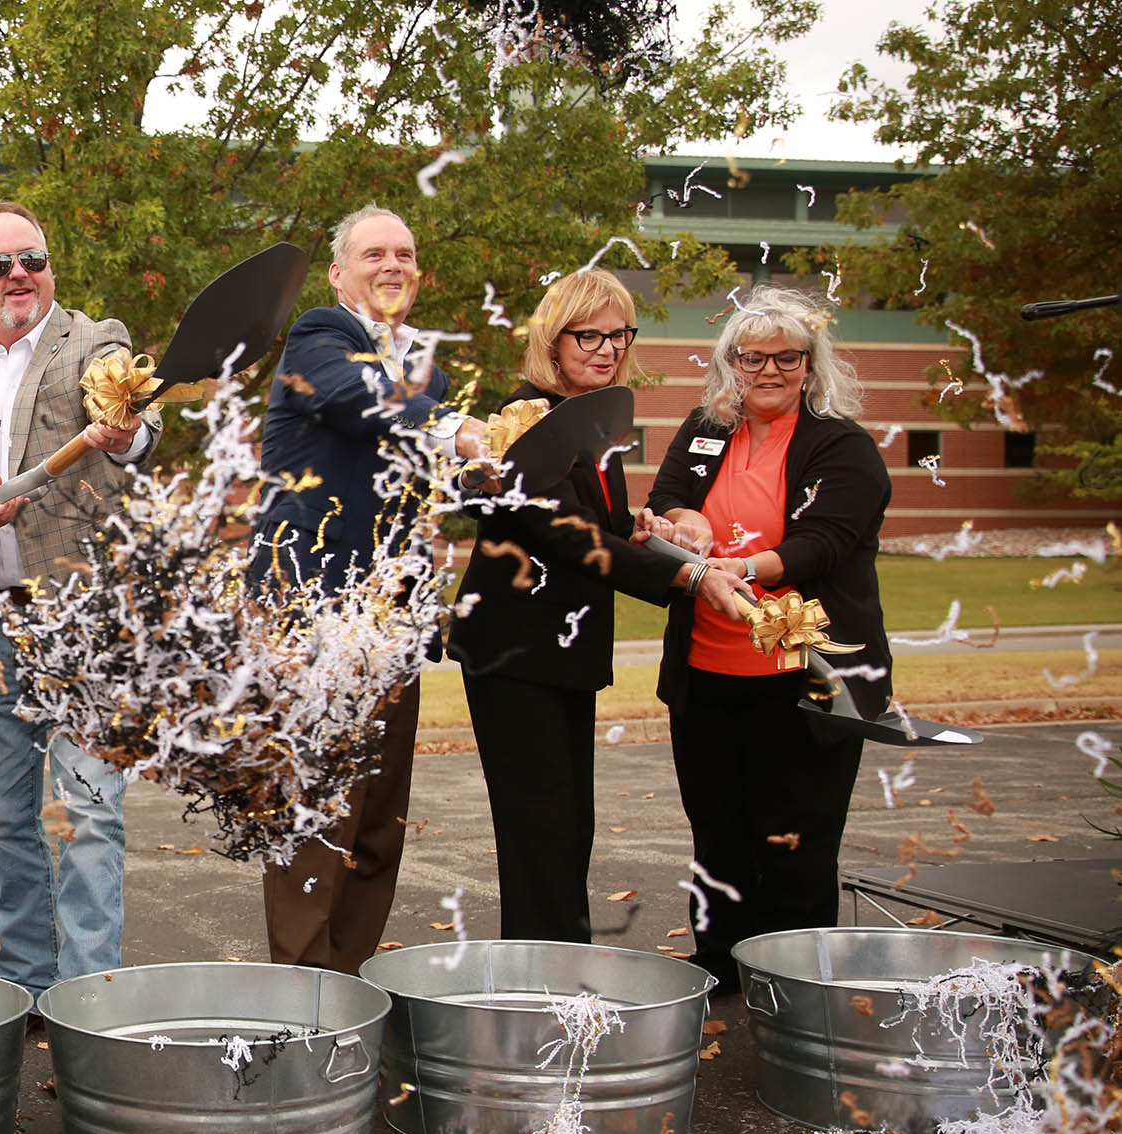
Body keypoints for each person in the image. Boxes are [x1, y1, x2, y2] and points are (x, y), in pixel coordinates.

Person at [447, 269, 748, 943]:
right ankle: (545, 987)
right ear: (553, 341)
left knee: (567, 824)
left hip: (564, 651)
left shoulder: (594, 414)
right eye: (590, 335)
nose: (608, 348)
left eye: (619, 334)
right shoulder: (525, 418)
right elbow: (561, 534)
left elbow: (595, 528)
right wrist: (691, 580)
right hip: (515, 649)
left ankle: (559, 970)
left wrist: (643, 531)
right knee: (542, 830)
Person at [0, 200, 158, 1006]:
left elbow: (133, 417)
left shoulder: (95, 338)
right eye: (0, 266)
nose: (20, 275)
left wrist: (127, 432)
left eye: (34, 259)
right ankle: (26, 985)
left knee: (90, 815)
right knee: (9, 822)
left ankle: (87, 1000)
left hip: (85, 622)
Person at [249, 204, 487, 975]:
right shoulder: (319, 338)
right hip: (314, 621)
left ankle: (346, 985)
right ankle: (302, 998)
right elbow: (359, 396)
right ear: (340, 273)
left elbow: (443, 482)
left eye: (406, 255)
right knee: (316, 813)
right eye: (375, 254)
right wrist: (456, 431)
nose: (393, 266)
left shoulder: (430, 373)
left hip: (394, 625)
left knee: (377, 825)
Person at [641, 283, 890, 987]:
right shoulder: (704, 428)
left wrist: (739, 565)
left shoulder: (842, 445)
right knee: (718, 836)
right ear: (731, 362)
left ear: (812, 365)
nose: (770, 371)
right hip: (706, 674)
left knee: (795, 844)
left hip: (805, 683)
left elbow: (823, 544)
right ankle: (720, 967)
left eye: (788, 358)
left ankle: (793, 984)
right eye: (754, 358)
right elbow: (669, 501)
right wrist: (687, 527)